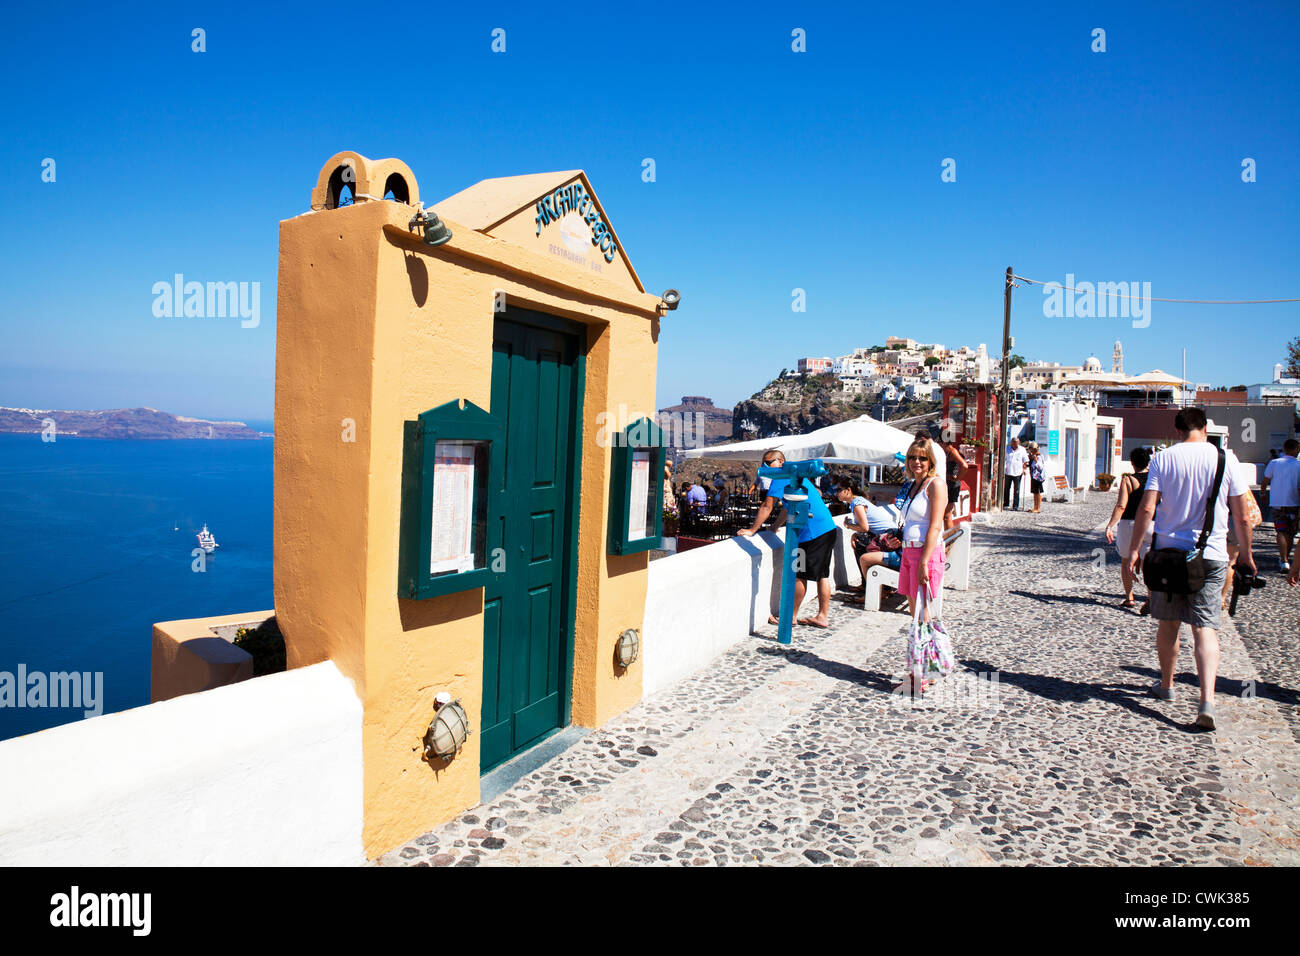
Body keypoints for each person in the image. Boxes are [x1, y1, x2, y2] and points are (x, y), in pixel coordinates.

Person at [1126, 408, 1256, 731]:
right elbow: (1241, 516)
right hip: (1210, 556)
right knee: (1205, 628)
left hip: (1169, 555)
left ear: (1178, 429)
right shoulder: (1226, 460)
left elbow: (1147, 507)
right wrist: (1247, 555)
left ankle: (1167, 685)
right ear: (1205, 427)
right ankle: (1206, 702)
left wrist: (1134, 550)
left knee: (1168, 624)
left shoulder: (1162, 459)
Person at [738, 449, 838, 628]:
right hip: (827, 528)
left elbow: (767, 506)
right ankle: (822, 616)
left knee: (799, 575)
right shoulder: (797, 475)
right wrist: (775, 526)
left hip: (812, 533)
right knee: (822, 575)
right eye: (764, 463)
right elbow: (788, 506)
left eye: (770, 462)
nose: (766, 466)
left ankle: (789, 617)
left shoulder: (782, 476)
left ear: (781, 461)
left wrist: (753, 530)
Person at [895, 438, 948, 690]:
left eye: (922, 458)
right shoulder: (913, 486)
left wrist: (924, 561)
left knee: (923, 615)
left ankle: (923, 672)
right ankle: (923, 668)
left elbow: (936, 525)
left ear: (931, 462)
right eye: (913, 457)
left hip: (924, 555)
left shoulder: (935, 485)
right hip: (908, 553)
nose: (917, 462)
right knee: (915, 614)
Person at [1104, 446, 1153, 612]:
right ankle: (1150, 597)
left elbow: (1121, 505)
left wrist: (1110, 525)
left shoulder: (1128, 481)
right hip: (1151, 524)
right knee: (1148, 564)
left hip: (1129, 524)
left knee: (1126, 560)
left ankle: (1129, 597)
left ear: (1132, 464)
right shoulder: (1156, 479)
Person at [1261, 439, 1300, 574]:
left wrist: (1263, 493)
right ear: (1296, 449)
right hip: (1294, 503)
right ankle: (1285, 559)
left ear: (1284, 448)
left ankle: (1284, 560)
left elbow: (1265, 480)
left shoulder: (1274, 463)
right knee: (1290, 532)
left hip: (1277, 503)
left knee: (1281, 531)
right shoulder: (1299, 465)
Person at [939, 437, 969, 529]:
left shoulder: (952, 452)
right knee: (945, 515)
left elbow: (964, 466)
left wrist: (956, 478)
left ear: (944, 442)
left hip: (951, 485)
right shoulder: (946, 452)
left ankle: (949, 540)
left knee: (947, 515)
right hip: (948, 484)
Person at [1003, 437, 1028, 510]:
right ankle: (1006, 504)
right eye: (1014, 443)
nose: (1015, 445)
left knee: (1017, 489)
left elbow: (1025, 460)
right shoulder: (1007, 449)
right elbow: (1004, 459)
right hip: (1008, 471)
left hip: (1018, 472)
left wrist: (1024, 469)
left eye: (1017, 443)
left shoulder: (1022, 450)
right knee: (1006, 488)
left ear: (1018, 443)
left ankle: (1015, 506)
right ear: (1012, 443)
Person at [1025, 441, 1046, 514]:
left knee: (1037, 492)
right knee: (1035, 492)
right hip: (1033, 476)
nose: (1030, 450)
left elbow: (1040, 467)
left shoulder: (1039, 456)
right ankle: (1035, 507)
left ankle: (1038, 508)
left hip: (1038, 477)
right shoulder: (1033, 456)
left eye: (1031, 449)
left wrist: (1036, 460)